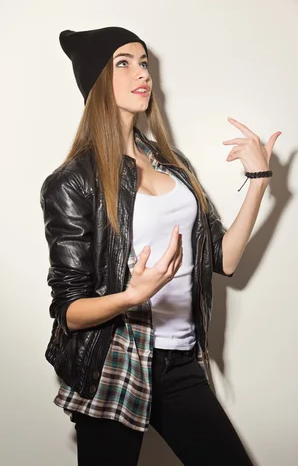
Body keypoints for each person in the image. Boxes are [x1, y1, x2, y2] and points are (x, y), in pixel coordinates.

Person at [40, 26, 281, 466]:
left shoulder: (173, 164)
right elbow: (69, 311)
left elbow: (223, 260)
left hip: (179, 362)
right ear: (97, 82)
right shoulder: (73, 181)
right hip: (113, 361)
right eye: (124, 63)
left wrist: (259, 183)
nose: (142, 74)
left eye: (144, 62)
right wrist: (133, 296)